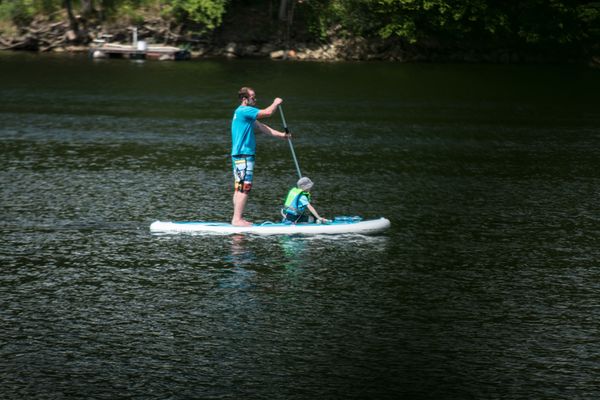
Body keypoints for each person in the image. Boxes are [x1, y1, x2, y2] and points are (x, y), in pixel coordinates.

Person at [231, 87, 289, 226]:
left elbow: (262, 128)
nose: (255, 100)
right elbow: (268, 112)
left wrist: (282, 135)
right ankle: (237, 219)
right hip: (244, 154)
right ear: (245, 99)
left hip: (239, 155)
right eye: (253, 97)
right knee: (245, 187)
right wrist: (276, 102)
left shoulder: (242, 113)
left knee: (240, 187)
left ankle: (237, 218)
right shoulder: (245, 110)